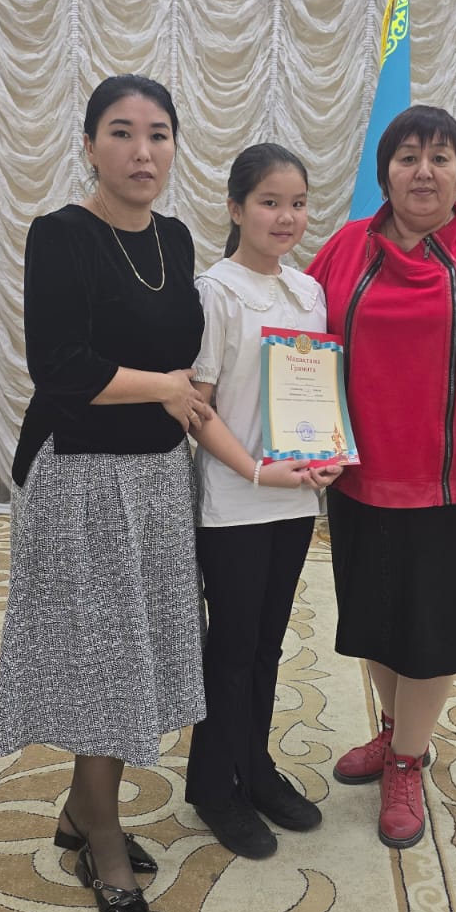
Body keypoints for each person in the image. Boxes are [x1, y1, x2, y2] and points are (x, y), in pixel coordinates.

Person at [0, 75, 212, 912]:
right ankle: (101, 833)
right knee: (103, 656)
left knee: (133, 648)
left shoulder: (175, 239)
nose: (141, 151)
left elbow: (188, 355)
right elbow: (61, 366)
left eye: (158, 134)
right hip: (79, 473)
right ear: (89, 146)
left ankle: (82, 812)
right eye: (121, 132)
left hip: (156, 475)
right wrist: (166, 387)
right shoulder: (61, 234)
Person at [307, 105, 456, 849]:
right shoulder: (345, 247)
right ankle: (394, 730)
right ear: (384, 173)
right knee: (375, 622)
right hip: (359, 482)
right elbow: (299, 344)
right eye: (407, 156)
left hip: (455, 489)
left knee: (432, 633)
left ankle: (408, 760)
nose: (423, 171)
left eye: (440, 158)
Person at [185, 144, 341, 859]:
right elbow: (198, 406)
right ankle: (213, 786)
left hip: (293, 500)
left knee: (268, 645)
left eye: (297, 204)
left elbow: (313, 394)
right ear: (236, 208)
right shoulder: (215, 291)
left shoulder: (308, 292)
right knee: (232, 647)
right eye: (270, 202)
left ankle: (255, 769)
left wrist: (326, 453)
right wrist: (256, 471)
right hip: (235, 500)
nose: (286, 217)